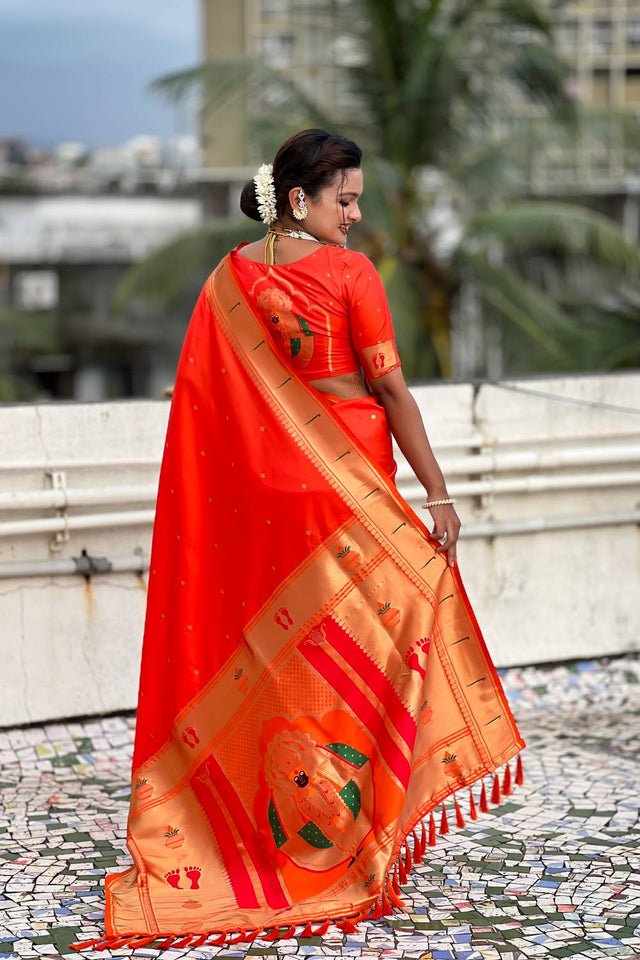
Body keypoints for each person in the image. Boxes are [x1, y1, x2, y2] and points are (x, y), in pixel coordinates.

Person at [73, 129, 524, 953]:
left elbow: (206, 414)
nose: (355, 216)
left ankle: (262, 839)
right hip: (348, 500)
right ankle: (355, 840)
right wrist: (440, 492)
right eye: (344, 200)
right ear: (298, 201)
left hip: (267, 513)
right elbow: (389, 388)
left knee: (280, 668)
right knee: (389, 632)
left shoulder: (226, 281)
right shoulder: (352, 275)